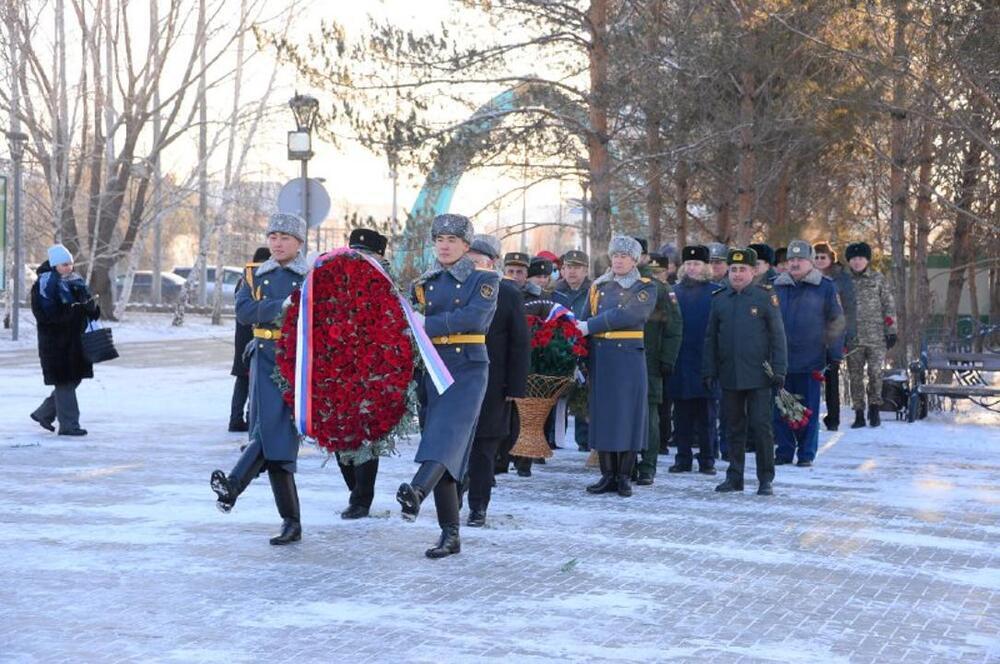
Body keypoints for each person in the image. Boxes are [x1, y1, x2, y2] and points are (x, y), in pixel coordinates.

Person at [396, 214, 498, 558]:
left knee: (444, 437)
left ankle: (416, 491)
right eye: (439, 239)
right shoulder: (427, 282)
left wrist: (428, 323)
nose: (444, 245)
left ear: (466, 245)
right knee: (448, 449)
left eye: (452, 240)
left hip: (467, 367)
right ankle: (450, 534)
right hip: (433, 366)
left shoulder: (484, 279)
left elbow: (475, 318)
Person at [210, 213, 309, 545]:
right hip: (264, 359)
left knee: (274, 434)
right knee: (272, 436)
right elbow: (243, 312)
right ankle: (290, 522)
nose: (277, 244)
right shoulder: (254, 274)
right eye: (273, 237)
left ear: (299, 242)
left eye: (285, 238)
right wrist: (282, 306)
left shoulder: (310, 277)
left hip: (295, 361)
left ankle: (234, 485)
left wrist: (271, 308)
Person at [575, 236, 658, 497]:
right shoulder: (599, 286)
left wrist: (590, 326)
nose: (619, 260)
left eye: (624, 256)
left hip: (628, 358)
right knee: (604, 415)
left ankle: (624, 475)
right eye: (615, 256)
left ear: (635, 260)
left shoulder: (644, 287)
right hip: (601, 356)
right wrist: (580, 352)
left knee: (628, 416)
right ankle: (607, 474)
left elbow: (631, 314)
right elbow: (584, 318)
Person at [702, 247, 787, 496]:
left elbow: (778, 336)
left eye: (742, 269)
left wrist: (779, 370)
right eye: (733, 269)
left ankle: (765, 479)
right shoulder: (720, 299)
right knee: (733, 427)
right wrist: (709, 370)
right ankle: (734, 477)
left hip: (759, 375)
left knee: (761, 427)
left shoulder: (764, 297)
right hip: (730, 374)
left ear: (753, 271)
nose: (737, 274)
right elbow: (711, 338)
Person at [464, 234, 530, 528]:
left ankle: (478, 506)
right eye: (468, 260)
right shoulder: (456, 288)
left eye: (478, 260)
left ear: (492, 263)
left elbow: (520, 343)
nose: (472, 265)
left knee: (484, 448)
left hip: (494, 382)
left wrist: (515, 387)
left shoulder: (507, 293)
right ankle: (453, 498)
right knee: (457, 446)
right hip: (459, 381)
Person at [772, 241, 845, 467]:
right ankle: (784, 450)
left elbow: (836, 321)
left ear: (811, 262)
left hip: (811, 359)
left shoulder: (825, 287)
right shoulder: (775, 286)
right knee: (781, 409)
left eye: (800, 259)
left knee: (808, 410)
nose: (794, 263)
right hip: (780, 360)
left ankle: (806, 453)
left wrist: (834, 354)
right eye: (791, 260)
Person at [335, 228, 392, 520]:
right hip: (338, 371)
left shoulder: (390, 285)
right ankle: (354, 489)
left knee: (367, 436)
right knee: (338, 435)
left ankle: (362, 498)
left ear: (379, 257)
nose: (359, 260)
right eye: (355, 253)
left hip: (375, 372)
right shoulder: (335, 282)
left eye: (366, 255)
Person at [29, 244, 101, 437]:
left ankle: (44, 413)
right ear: (54, 265)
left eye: (70, 264)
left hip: (76, 341)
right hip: (56, 343)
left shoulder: (76, 282)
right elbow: (46, 316)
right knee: (64, 382)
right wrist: (74, 310)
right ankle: (69, 425)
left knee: (73, 380)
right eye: (64, 264)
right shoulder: (45, 285)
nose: (69, 268)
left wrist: (91, 306)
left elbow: (90, 311)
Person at [666, 245, 718, 476]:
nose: (692, 268)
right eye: (688, 263)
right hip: (680, 362)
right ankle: (683, 458)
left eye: (696, 264)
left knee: (707, 416)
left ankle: (707, 459)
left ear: (706, 266)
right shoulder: (673, 292)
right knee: (682, 416)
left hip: (706, 361)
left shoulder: (716, 293)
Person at [635, 243, 683, 486]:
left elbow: (674, 327)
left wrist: (667, 359)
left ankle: (647, 466)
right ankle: (624, 464)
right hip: (622, 360)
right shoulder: (615, 285)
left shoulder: (660, 289)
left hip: (650, 360)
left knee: (649, 414)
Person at [845, 241, 897, 428]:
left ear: (867, 260)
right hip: (853, 338)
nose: (857, 262)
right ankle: (859, 413)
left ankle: (874, 409)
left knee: (876, 374)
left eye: (861, 258)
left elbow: (888, 305)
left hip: (876, 337)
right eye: (853, 258)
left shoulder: (878, 279)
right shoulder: (844, 281)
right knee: (855, 376)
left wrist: (891, 331)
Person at [813, 241, 856, 431]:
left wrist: (847, 336)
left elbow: (849, 309)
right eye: (816, 257)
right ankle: (810, 416)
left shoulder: (841, 279)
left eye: (823, 257)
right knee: (811, 379)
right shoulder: (809, 277)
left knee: (831, 380)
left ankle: (833, 418)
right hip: (812, 336)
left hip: (834, 336)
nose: (819, 260)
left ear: (831, 259)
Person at [553, 249, 592, 451]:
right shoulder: (555, 291)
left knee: (583, 392)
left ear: (586, 270)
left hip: (585, 348)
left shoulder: (593, 291)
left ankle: (585, 439)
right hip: (558, 348)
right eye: (568, 267)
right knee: (556, 394)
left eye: (577, 267)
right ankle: (553, 438)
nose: (572, 271)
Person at [229, 247, 270, 433]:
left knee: (243, 378)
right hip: (254, 335)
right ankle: (247, 417)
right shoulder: (257, 279)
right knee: (251, 380)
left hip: (242, 335)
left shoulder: (244, 279)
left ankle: (237, 418)